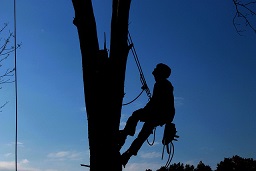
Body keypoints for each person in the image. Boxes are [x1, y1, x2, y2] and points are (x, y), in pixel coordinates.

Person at [118, 63, 176, 167]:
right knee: (144, 131)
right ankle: (127, 153)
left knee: (137, 118)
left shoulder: (162, 84)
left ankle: (125, 136)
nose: (153, 72)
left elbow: (156, 102)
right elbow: (155, 102)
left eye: (156, 70)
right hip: (162, 114)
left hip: (161, 114)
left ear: (161, 73)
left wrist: (145, 111)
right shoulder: (162, 84)